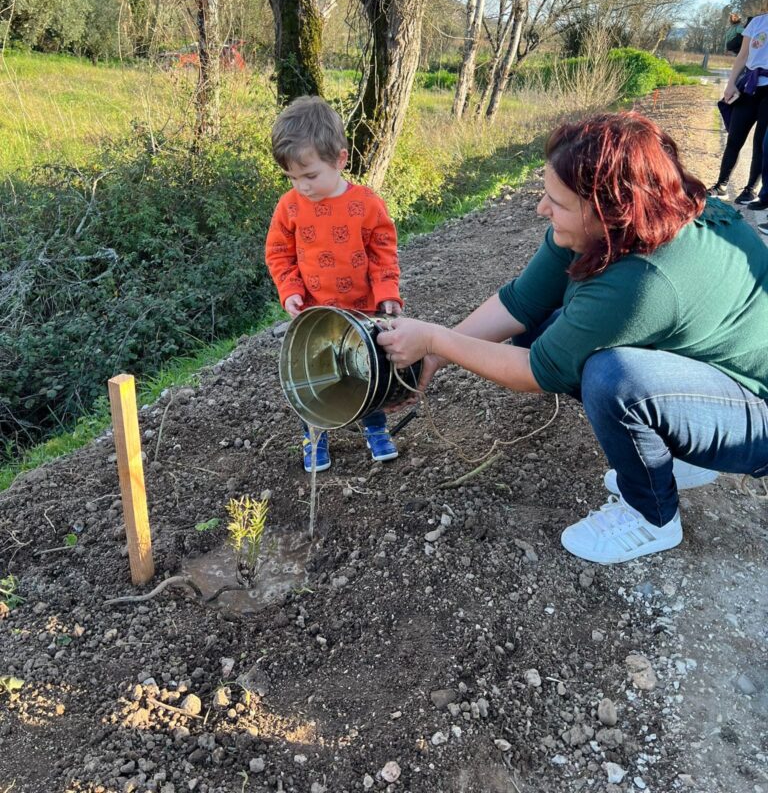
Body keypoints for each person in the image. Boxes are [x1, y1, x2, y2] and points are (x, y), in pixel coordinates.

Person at [377, 111, 768, 566]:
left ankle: (652, 516)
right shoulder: (629, 221)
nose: (542, 208)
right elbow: (519, 305)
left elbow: (535, 372)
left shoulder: (643, 280)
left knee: (613, 378)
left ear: (609, 209)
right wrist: (433, 356)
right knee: (544, 327)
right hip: (713, 373)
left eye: (557, 202)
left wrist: (435, 340)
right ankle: (683, 449)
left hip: (756, 416)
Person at [265, 96, 403, 472]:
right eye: (292, 178)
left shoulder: (366, 205)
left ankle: (375, 429)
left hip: (362, 311)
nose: (302, 186)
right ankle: (314, 436)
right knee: (314, 377)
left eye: (310, 176)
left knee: (367, 370)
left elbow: (382, 252)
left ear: (340, 160)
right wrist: (290, 290)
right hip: (314, 315)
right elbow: (279, 254)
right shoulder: (289, 207)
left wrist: (387, 293)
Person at [708, 7, 768, 206]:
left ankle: (751, 189)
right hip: (749, 86)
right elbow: (742, 56)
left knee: (761, 142)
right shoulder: (757, 22)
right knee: (734, 137)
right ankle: (721, 185)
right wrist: (731, 82)